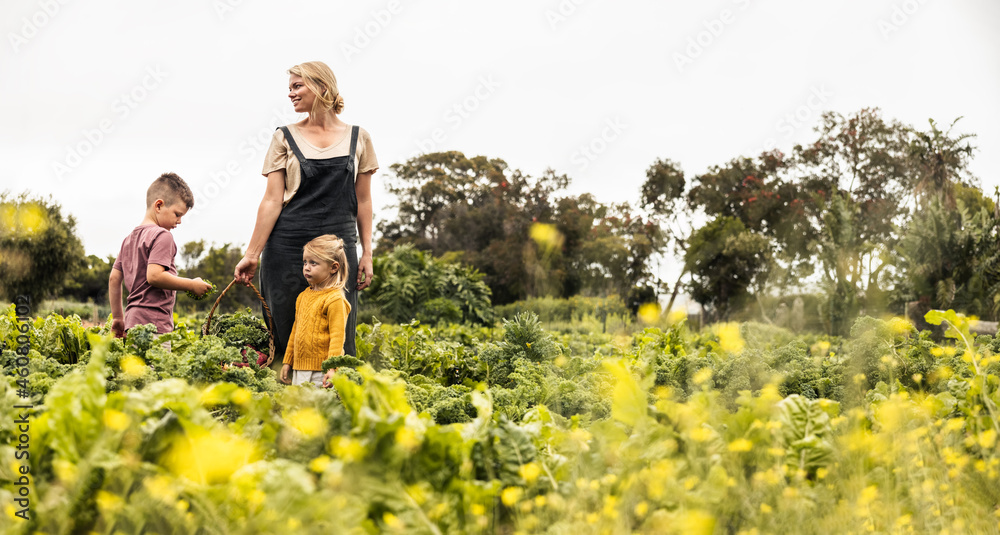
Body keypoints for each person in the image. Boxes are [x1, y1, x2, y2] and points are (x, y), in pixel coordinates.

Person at [234, 61, 378, 370]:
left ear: (322, 87)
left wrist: (367, 252)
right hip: (287, 249)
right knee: (286, 331)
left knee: (339, 333)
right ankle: (285, 404)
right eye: (290, 87)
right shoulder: (283, 137)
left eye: (298, 86)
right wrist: (252, 254)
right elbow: (272, 200)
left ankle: (336, 403)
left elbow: (363, 200)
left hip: (337, 251)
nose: (291, 94)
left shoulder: (359, 138)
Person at [109, 172, 213, 338]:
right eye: (177, 214)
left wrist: (118, 318)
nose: (179, 221)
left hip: (131, 323)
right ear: (158, 206)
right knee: (158, 364)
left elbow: (114, 279)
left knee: (135, 365)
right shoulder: (162, 236)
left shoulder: (128, 240)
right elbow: (155, 276)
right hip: (155, 327)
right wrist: (191, 285)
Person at [279, 235, 351, 386]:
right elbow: (295, 332)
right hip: (299, 369)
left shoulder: (334, 299)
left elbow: (338, 338)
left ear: (333, 267)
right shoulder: (303, 296)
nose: (306, 267)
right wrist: (288, 361)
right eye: (305, 262)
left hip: (321, 372)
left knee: (318, 409)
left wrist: (332, 367)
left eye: (313, 263)